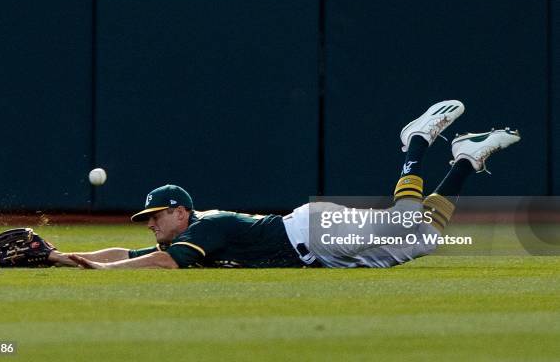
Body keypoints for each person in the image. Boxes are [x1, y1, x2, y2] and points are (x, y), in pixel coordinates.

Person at [49, 100, 520, 269]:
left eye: (155, 216)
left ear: (180, 211)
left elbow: (158, 266)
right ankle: (466, 158)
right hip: (319, 251)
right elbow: (128, 255)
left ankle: (416, 140)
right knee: (426, 239)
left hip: (313, 233)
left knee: (403, 225)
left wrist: (101, 273)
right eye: (147, 219)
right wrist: (60, 258)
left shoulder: (206, 228)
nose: (150, 225)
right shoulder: (192, 235)